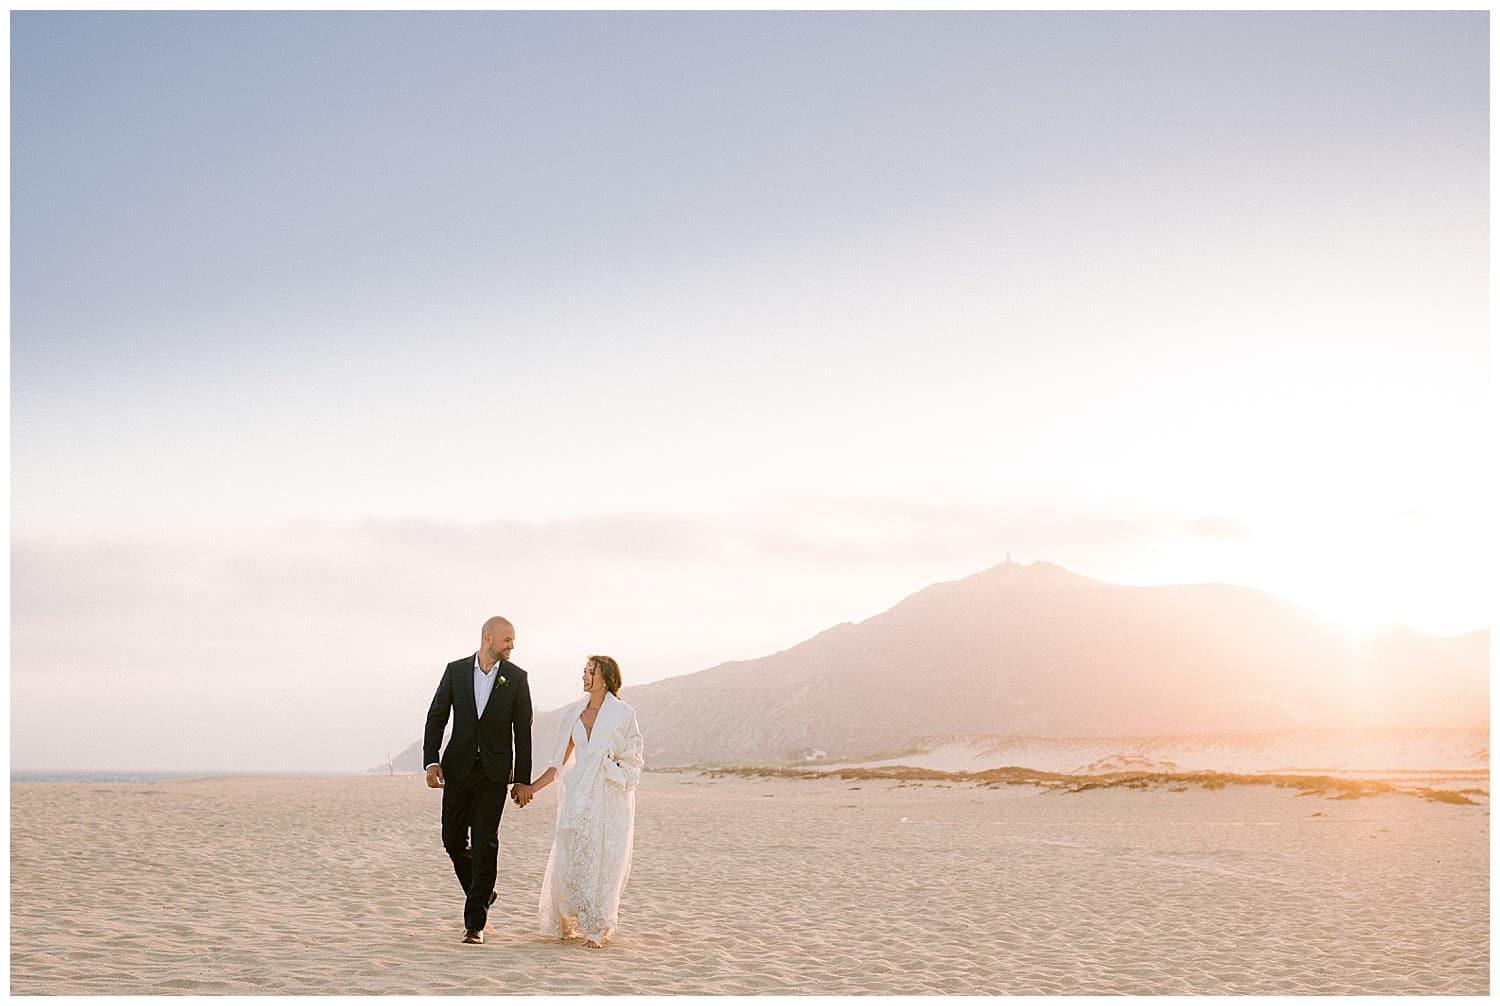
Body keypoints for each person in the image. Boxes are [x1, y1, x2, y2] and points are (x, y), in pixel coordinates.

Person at [423, 616, 534, 945]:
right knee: (452, 840)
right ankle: (483, 891)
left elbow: (522, 733)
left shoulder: (516, 678)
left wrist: (523, 780)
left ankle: (475, 924)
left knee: (485, 843)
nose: (512, 646)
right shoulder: (455, 671)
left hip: (494, 774)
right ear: (488, 639)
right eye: (507, 640)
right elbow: (437, 716)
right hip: (457, 770)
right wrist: (431, 761)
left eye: (513, 641)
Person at [522, 655, 644, 949]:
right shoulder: (574, 712)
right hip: (577, 794)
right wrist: (530, 789)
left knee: (605, 857)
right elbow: (558, 765)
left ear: (607, 678)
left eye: (591, 672)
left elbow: (634, 758)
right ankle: (569, 921)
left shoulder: (624, 714)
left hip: (610, 795)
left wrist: (613, 768)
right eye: (584, 671)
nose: (585, 677)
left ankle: (598, 928)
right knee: (571, 854)